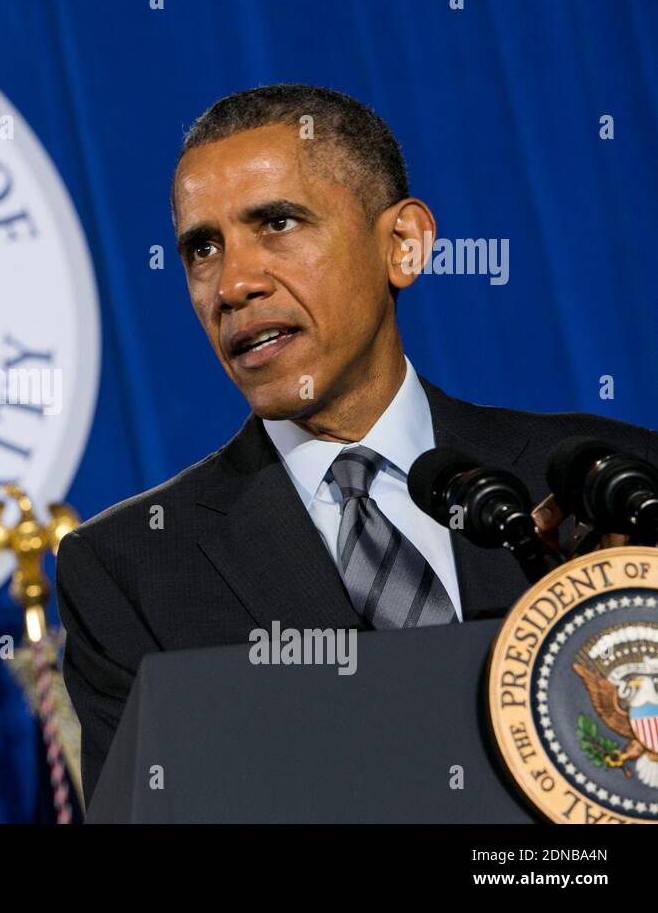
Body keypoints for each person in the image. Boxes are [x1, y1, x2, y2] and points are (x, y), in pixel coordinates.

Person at [56, 84, 658, 808]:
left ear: (403, 244)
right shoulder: (131, 568)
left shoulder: (610, 482)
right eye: (202, 249)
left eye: (277, 222)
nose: (234, 283)